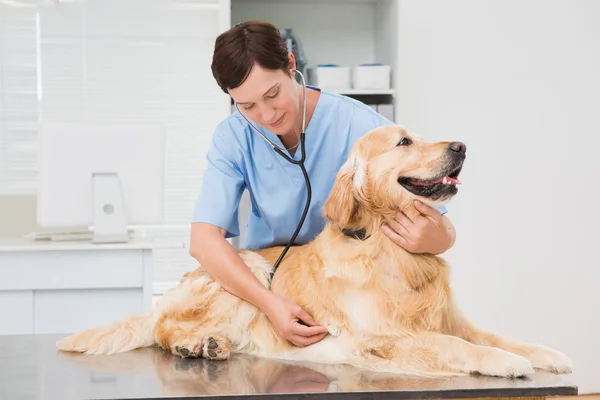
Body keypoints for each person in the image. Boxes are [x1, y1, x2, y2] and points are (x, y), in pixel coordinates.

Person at [189, 21, 457, 348]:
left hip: (354, 293)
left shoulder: (360, 125)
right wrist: (269, 303)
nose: (266, 114)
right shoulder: (232, 137)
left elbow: (441, 223)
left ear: (290, 66)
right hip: (276, 286)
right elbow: (203, 242)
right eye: (247, 106)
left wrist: (438, 238)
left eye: (272, 94)